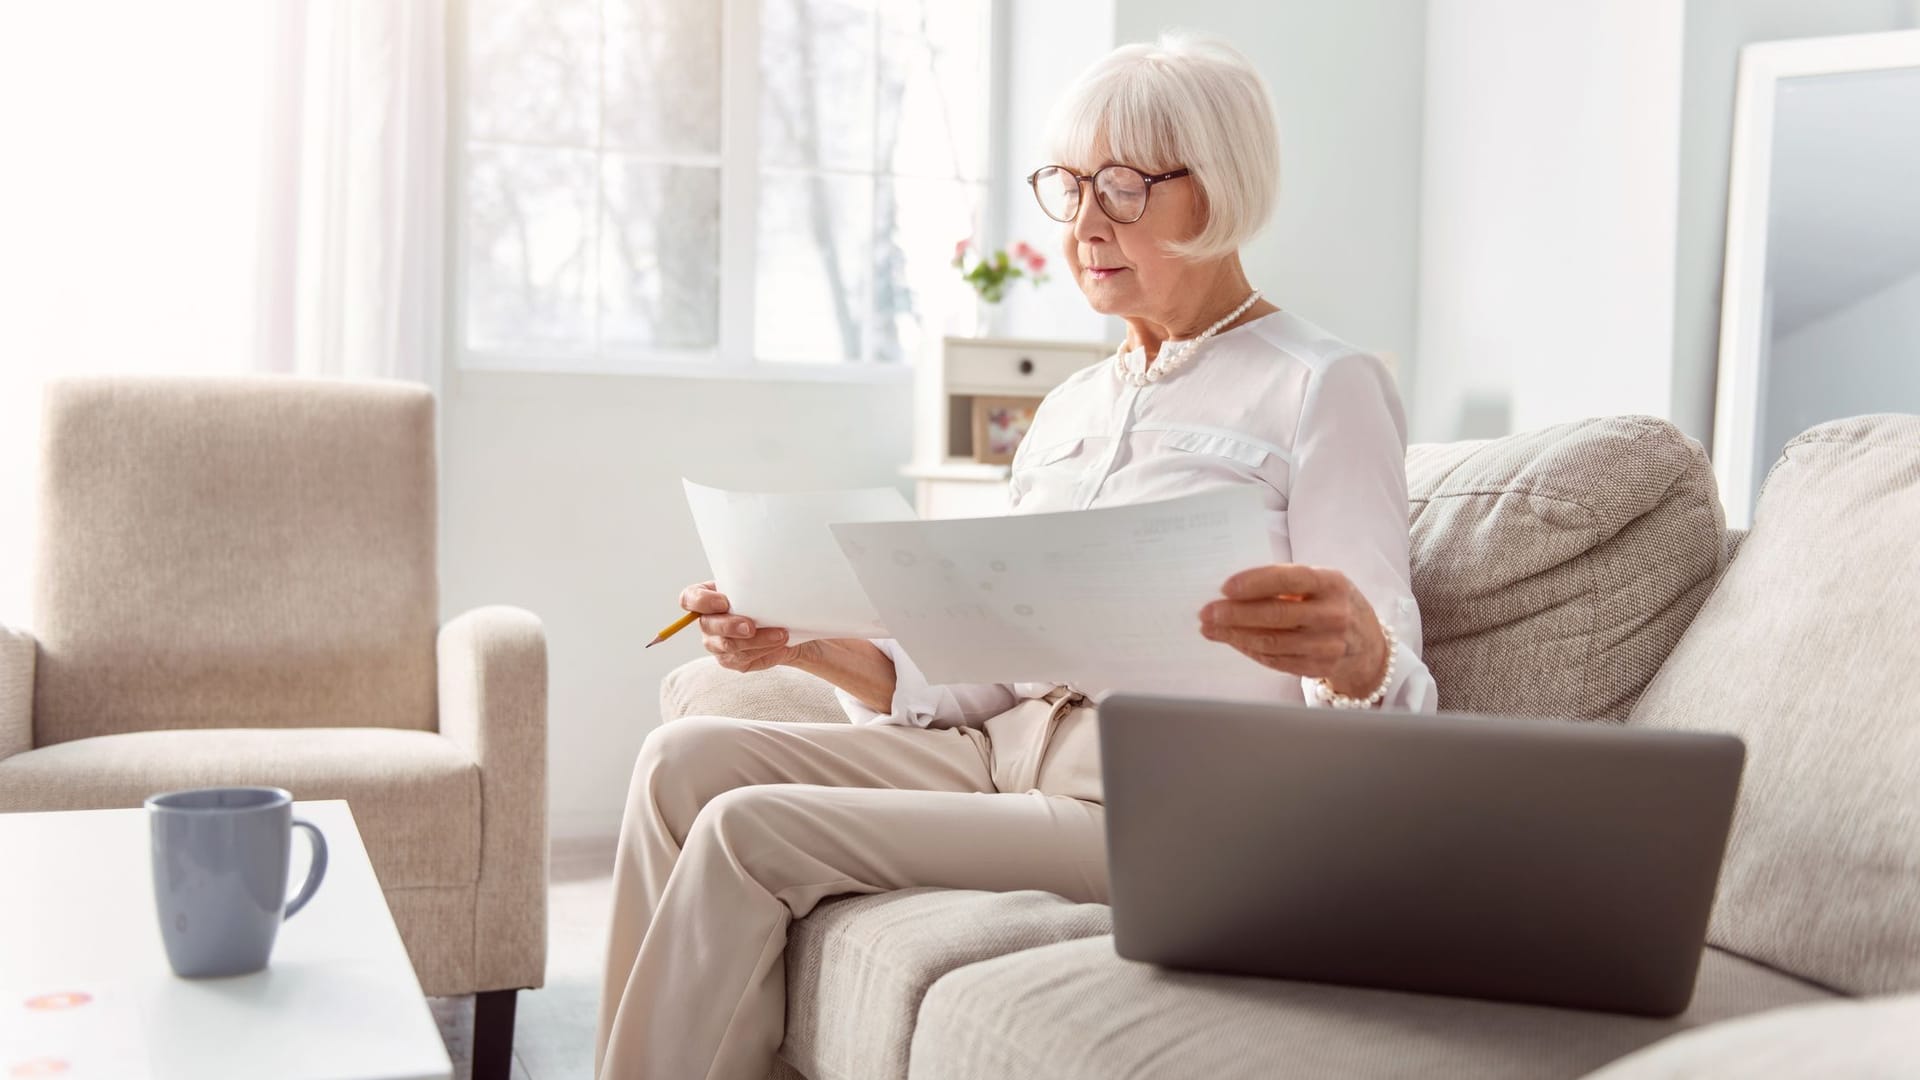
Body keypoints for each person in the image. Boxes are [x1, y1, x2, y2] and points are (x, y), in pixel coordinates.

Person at [595, 31, 1439, 1079]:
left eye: (1122, 188)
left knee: (744, 834)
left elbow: (1391, 676)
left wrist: (1352, 657)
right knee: (681, 763)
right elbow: (976, 676)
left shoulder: (1324, 383)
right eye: (1068, 186)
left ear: (1218, 190)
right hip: (997, 754)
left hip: (1156, 806)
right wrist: (799, 642)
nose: (1084, 225)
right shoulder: (1070, 408)